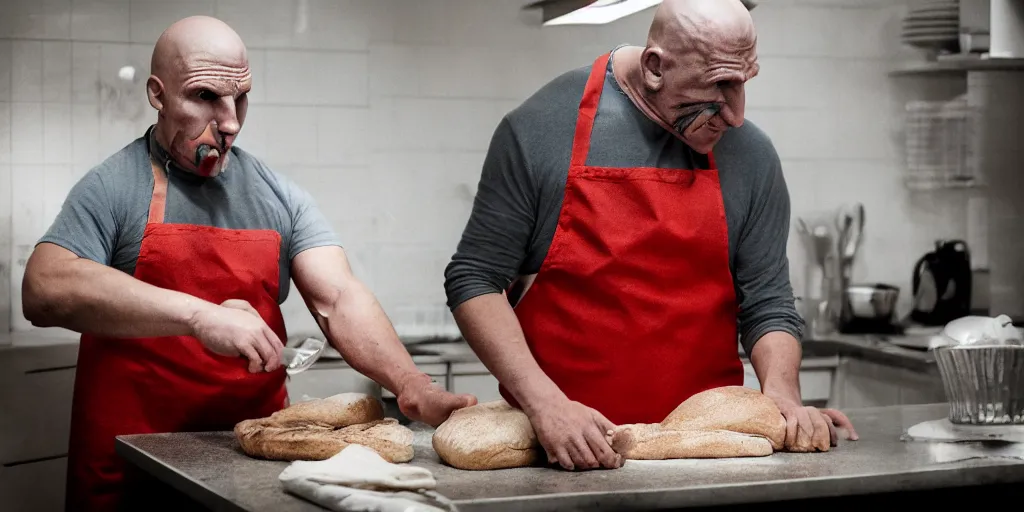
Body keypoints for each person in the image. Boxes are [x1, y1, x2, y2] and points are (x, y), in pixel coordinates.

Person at [21, 16, 476, 511]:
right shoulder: (115, 186)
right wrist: (200, 316)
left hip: (246, 461)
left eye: (240, 98)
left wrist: (410, 385)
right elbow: (44, 288)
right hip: (131, 464)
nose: (231, 121)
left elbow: (338, 296)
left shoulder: (278, 195)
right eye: (205, 97)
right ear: (158, 94)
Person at [444, 0, 858, 472]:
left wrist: (783, 397)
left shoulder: (751, 155)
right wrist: (545, 405)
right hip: (563, 454)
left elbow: (767, 301)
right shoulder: (541, 129)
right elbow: (474, 279)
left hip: (708, 454)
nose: (737, 114)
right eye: (718, 87)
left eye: (744, 83)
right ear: (655, 67)